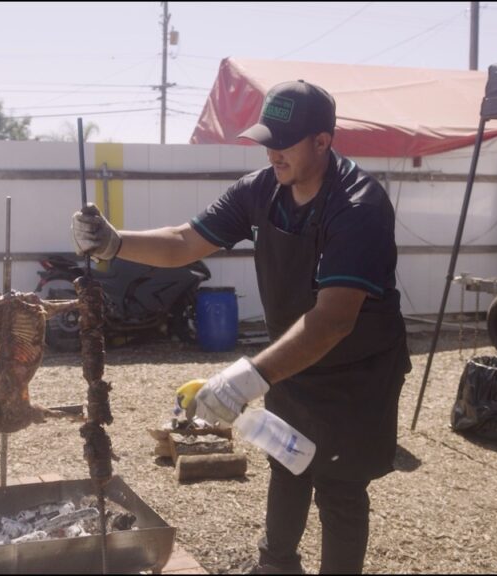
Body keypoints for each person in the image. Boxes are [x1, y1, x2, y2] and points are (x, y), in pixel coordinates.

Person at [72, 80, 411, 574]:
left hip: (357, 371)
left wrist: (248, 377)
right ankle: (276, 565)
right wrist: (114, 243)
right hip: (290, 359)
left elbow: (334, 318)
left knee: (339, 485)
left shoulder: (358, 206)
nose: (272, 151)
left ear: (323, 141)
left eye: (285, 140)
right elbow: (184, 241)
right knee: (286, 461)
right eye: (267, 139)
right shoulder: (259, 190)